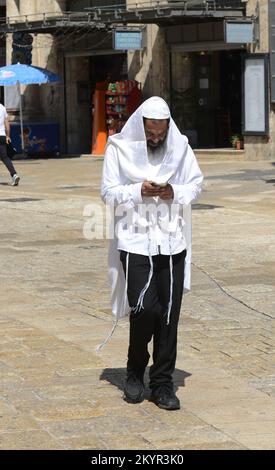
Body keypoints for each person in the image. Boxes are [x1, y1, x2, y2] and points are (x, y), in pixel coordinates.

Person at [101, 96, 203, 410]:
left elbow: (196, 184)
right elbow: (108, 191)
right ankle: (135, 367)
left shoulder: (181, 146)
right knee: (144, 308)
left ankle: (162, 383)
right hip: (134, 242)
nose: (156, 138)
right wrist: (138, 190)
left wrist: (173, 191)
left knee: (169, 314)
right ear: (140, 127)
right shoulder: (119, 148)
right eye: (151, 132)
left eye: (161, 133)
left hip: (172, 242)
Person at [0, 103, 20, 186]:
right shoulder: (3, 108)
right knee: (5, 157)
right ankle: (14, 175)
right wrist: (8, 136)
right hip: (2, 135)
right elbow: (7, 125)